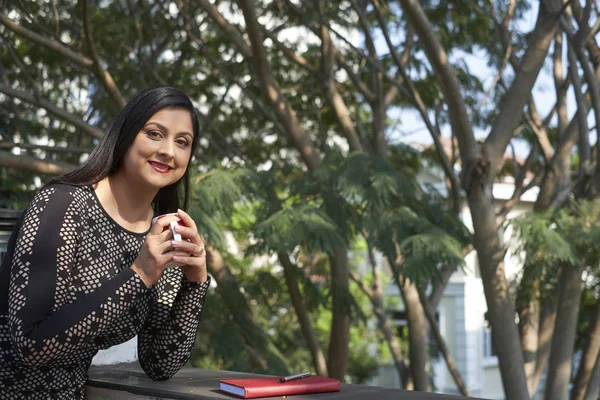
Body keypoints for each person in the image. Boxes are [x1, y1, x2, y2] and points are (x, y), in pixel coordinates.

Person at [0, 86, 210, 399]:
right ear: (126, 135)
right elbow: (31, 344)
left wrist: (195, 282)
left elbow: (159, 363)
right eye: (155, 134)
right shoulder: (61, 205)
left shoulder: (162, 235)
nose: (169, 151)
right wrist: (139, 274)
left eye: (182, 142)